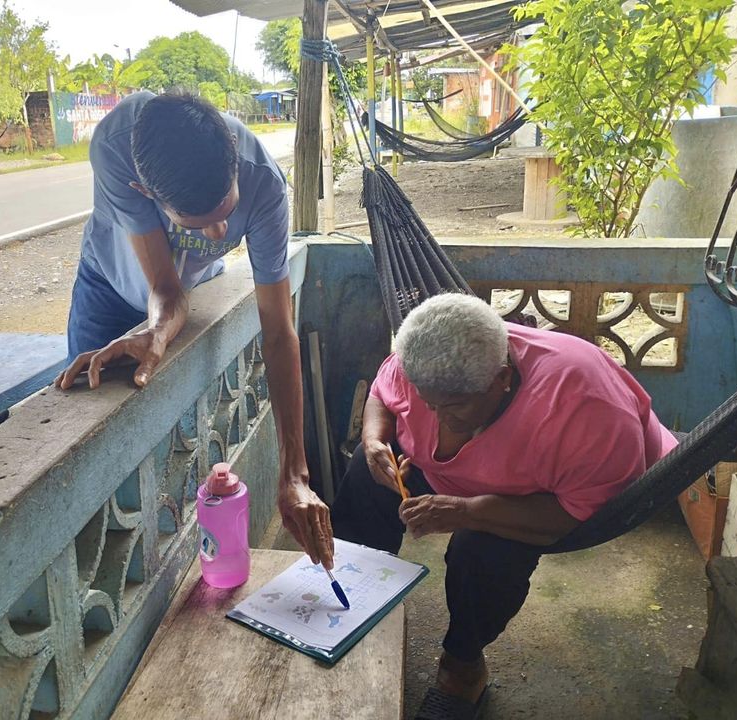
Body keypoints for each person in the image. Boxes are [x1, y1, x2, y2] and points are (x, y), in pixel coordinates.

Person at [331, 293, 677, 719]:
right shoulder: (423, 356)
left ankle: (462, 668)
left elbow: (574, 515)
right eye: (427, 403)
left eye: (455, 406)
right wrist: (374, 441)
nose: (438, 419)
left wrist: (469, 511)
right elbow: (382, 396)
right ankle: (352, 603)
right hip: (453, 471)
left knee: (482, 550)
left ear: (503, 379)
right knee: (366, 475)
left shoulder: (588, 410)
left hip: (545, 496)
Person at [55, 91, 333, 569]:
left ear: (233, 159)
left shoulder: (265, 184)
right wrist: (156, 332)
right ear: (146, 192)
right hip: (107, 283)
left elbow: (278, 331)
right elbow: (164, 286)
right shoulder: (116, 147)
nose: (219, 234)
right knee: (86, 428)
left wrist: (294, 472)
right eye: (199, 224)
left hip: (185, 288)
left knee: (164, 447)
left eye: (227, 212)